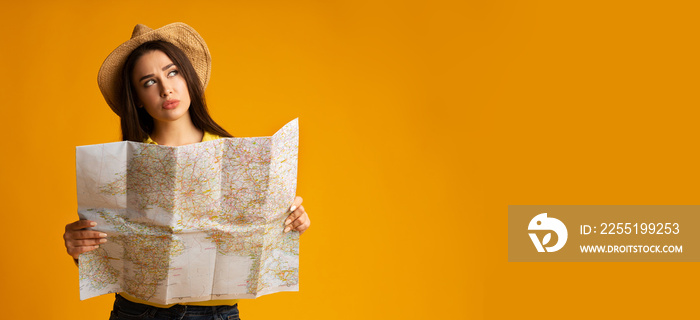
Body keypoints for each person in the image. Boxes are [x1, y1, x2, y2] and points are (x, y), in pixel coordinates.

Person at [62, 22, 311, 320]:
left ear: (188, 77)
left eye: (172, 72)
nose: (166, 88)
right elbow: (108, 256)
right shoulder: (118, 167)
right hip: (138, 312)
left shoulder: (240, 158)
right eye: (149, 82)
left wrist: (291, 221)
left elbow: (256, 243)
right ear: (138, 99)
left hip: (216, 313)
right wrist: (79, 250)